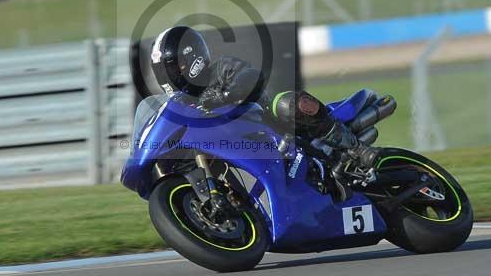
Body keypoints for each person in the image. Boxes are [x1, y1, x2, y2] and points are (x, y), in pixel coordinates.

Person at [148, 26, 379, 171]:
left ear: (192, 57)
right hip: (236, 149)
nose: (172, 74)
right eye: (165, 70)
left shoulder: (220, 69)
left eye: (174, 65)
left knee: (287, 103)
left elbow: (251, 76)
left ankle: (357, 149)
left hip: (272, 129)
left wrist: (224, 95)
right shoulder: (180, 104)